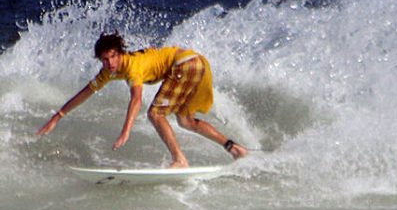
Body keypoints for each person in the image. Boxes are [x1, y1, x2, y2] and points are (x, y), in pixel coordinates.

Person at [37, 31, 247, 167]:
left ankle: (179, 159)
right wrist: (58, 116)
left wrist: (126, 131)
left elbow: (136, 98)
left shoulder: (131, 66)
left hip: (186, 64)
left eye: (113, 57)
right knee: (186, 121)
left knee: (155, 114)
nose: (110, 63)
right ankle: (235, 148)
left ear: (120, 53)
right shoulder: (108, 73)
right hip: (196, 62)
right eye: (105, 59)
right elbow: (86, 92)